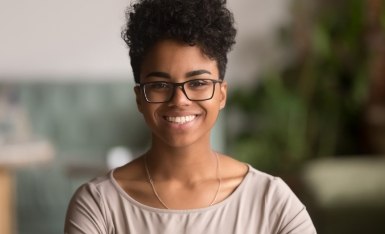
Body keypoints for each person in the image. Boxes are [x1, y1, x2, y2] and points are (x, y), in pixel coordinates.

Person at [64, 0, 316, 233]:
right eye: (160, 85)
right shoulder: (98, 206)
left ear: (222, 94)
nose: (180, 100)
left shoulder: (271, 202)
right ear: (139, 97)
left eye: (197, 82)